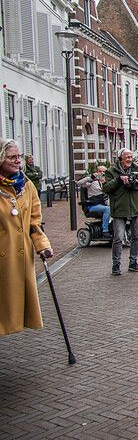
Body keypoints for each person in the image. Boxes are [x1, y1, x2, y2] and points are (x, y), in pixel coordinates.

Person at [0, 138, 53, 336]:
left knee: (13, 307)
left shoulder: (26, 185)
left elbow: (34, 220)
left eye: (19, 157)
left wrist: (42, 244)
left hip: (19, 256)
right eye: (11, 157)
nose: (17, 161)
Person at [103, 148, 138, 275]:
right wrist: (118, 180)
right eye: (127, 157)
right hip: (119, 209)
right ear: (120, 159)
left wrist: (136, 184)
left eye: (131, 157)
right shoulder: (111, 171)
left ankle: (133, 262)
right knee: (118, 237)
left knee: (136, 237)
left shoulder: (137, 170)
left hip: (135, 208)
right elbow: (106, 188)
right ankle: (116, 265)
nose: (129, 160)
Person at [77, 166, 111, 236]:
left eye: (104, 172)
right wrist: (90, 178)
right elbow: (79, 183)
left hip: (103, 204)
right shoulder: (91, 182)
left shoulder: (107, 182)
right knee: (108, 209)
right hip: (93, 205)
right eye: (100, 171)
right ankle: (105, 230)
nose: (102, 173)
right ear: (96, 172)